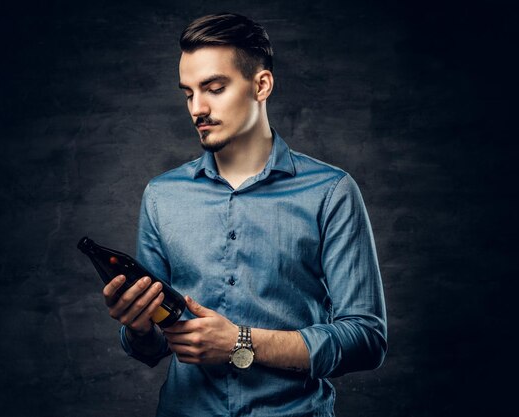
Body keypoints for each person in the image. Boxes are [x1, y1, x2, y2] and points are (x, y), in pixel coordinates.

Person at [102, 12, 387, 417]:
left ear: (261, 85)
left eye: (214, 88)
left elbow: (366, 340)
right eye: (188, 93)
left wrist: (242, 342)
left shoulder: (330, 192)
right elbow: (155, 345)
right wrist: (138, 324)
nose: (197, 108)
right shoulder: (162, 196)